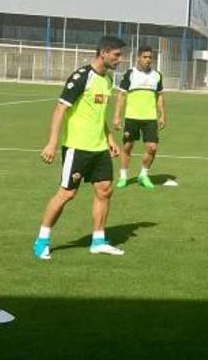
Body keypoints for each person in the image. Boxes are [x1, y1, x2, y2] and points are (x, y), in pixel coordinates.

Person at [33, 36, 127, 260]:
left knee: (105, 190)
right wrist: (52, 142)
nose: (120, 59)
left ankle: (98, 240)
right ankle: (42, 239)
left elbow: (99, 115)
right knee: (67, 193)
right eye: (117, 55)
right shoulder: (81, 77)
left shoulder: (107, 80)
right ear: (103, 53)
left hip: (99, 148)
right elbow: (60, 109)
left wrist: (110, 140)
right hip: (77, 147)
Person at [113, 45, 166, 189]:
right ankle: (123, 177)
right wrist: (117, 116)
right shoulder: (130, 74)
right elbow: (121, 95)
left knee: (152, 147)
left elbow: (160, 96)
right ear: (138, 58)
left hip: (150, 118)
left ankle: (143, 175)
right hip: (131, 117)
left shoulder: (157, 75)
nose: (148, 60)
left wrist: (162, 115)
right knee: (127, 146)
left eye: (150, 57)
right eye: (145, 57)